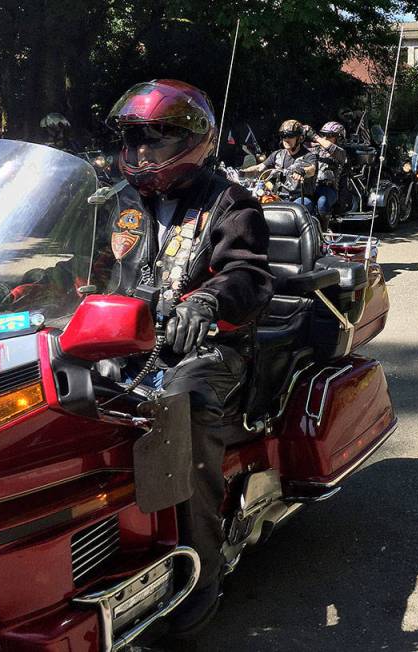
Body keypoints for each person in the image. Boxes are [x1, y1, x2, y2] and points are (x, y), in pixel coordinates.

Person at [101, 79, 273, 637]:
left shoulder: (230, 202)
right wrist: (33, 283)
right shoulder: (119, 203)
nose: (142, 151)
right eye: (134, 139)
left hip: (210, 349)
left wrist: (207, 299)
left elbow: (249, 274)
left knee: (179, 403)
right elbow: (87, 269)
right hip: (124, 340)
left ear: (192, 140)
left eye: (156, 138)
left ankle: (202, 570)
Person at [242, 118, 313, 198]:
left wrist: (302, 171)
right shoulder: (277, 155)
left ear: (300, 138)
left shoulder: (309, 155)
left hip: (300, 198)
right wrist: (241, 172)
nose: (286, 139)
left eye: (290, 136)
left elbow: (312, 169)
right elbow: (259, 167)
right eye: (283, 136)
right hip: (278, 197)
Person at [299, 121, 348, 229]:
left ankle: (323, 231)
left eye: (329, 135)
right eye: (324, 134)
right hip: (310, 188)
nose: (325, 137)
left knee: (322, 202)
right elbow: (298, 146)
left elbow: (331, 148)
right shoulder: (314, 148)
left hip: (328, 189)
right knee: (299, 205)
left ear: (339, 138)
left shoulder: (341, 153)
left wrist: (315, 136)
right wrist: (300, 133)